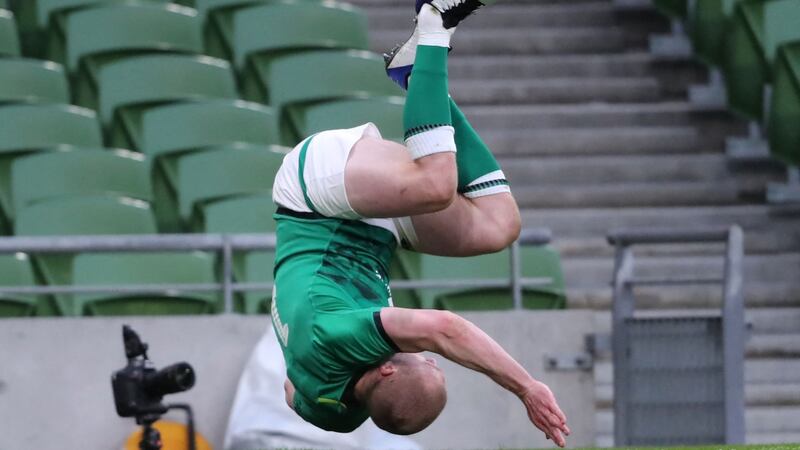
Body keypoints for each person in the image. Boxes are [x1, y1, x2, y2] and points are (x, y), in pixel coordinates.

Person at [270, 0, 571, 447]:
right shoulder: (338, 416)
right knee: (499, 226)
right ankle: (418, 76)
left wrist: (526, 388)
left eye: (428, 362)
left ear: (387, 368)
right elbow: (292, 392)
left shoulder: (341, 338)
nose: (433, 357)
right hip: (372, 233)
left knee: (435, 185)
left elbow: (445, 329)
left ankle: (434, 23)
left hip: (314, 199)